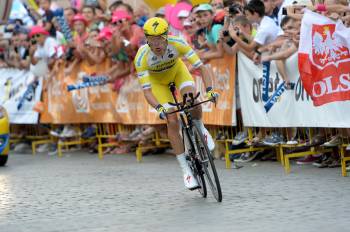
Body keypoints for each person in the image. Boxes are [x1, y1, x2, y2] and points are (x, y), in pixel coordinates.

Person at [134, 17, 218, 190]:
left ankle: (201, 129)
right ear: (146, 39)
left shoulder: (178, 43)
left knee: (192, 100)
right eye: (151, 39)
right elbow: (147, 91)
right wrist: (159, 108)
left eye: (160, 38)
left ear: (167, 36)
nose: (156, 43)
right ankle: (186, 170)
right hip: (158, 85)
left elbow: (201, 68)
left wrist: (210, 90)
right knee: (172, 120)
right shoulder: (141, 57)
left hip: (178, 73)